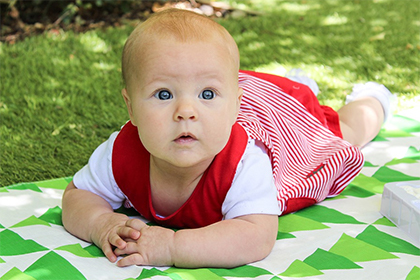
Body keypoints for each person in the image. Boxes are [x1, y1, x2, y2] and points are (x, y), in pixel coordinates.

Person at [62, 9, 395, 268]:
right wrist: (101, 222)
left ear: (233, 105)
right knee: (238, 88)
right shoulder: (121, 152)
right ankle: (288, 84)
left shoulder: (244, 163)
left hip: (277, 124)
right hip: (235, 97)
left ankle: (372, 100)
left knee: (341, 133)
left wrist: (172, 247)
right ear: (131, 107)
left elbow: (256, 235)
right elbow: (78, 196)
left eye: (206, 93)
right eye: (163, 94)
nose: (185, 111)